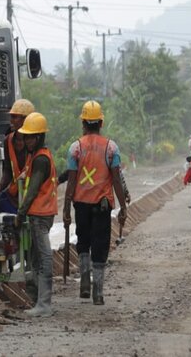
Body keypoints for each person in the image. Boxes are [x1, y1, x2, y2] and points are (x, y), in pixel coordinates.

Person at [64, 100, 127, 306]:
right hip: (102, 205)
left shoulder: (76, 148)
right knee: (100, 246)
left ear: (83, 123)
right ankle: (98, 293)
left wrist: (65, 208)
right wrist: (123, 208)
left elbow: (71, 181)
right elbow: (116, 179)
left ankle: (84, 282)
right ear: (101, 123)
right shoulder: (111, 147)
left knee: (83, 241)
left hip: (80, 204)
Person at [15, 112, 58, 317]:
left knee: (43, 256)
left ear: (40, 137)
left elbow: (32, 191)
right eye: (26, 137)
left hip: (40, 214)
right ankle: (37, 301)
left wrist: (20, 213)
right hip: (39, 213)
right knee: (35, 257)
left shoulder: (41, 159)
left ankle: (44, 304)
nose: (27, 141)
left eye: (31, 137)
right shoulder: (36, 157)